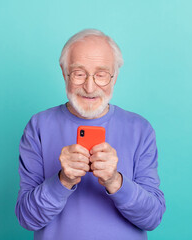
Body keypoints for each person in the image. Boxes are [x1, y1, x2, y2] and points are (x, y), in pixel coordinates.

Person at [15, 29, 166, 240]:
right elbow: (27, 218)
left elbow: (152, 218)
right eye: (79, 73)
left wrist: (115, 181)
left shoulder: (140, 129)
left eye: (101, 74)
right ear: (63, 71)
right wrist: (63, 180)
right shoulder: (38, 126)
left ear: (115, 76)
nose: (89, 86)